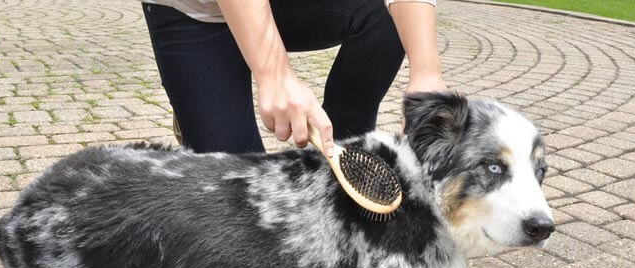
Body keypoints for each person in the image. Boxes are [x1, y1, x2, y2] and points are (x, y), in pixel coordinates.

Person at [141, 0, 446, 155]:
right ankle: (200, 103)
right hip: (193, 10)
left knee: (384, 14)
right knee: (238, 198)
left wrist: (426, 72)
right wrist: (273, 72)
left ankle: (341, 153)